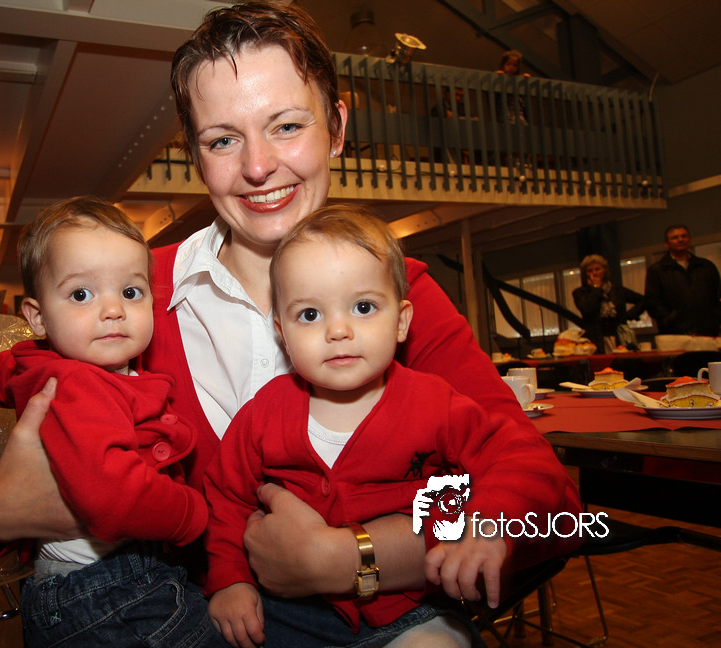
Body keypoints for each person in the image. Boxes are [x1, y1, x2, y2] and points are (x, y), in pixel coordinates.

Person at [0, 3, 582, 645]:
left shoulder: (405, 296)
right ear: (194, 155)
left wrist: (350, 558)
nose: (258, 166)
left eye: (286, 126)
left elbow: (554, 509)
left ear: (336, 128)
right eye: (222, 140)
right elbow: (30, 458)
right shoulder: (127, 298)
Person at [203, 206, 577, 648]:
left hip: (410, 609)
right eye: (310, 315)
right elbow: (226, 498)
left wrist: (487, 524)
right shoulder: (263, 414)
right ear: (282, 332)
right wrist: (230, 580)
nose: (338, 330)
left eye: (363, 307)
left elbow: (522, 459)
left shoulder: (436, 404)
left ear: (401, 322)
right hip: (287, 613)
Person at [0, 197, 224, 647]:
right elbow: (114, 497)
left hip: (71, 588)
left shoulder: (40, 365)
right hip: (112, 591)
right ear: (38, 317)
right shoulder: (81, 385)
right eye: (81, 294)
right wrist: (193, 516)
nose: (113, 310)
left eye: (131, 292)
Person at [644, 225, 721, 337]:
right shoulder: (657, 270)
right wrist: (669, 319)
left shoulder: (706, 266)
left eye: (684, 236)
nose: (680, 240)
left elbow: (717, 295)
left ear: (689, 240)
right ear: (666, 243)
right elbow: (652, 301)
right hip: (674, 333)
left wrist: (715, 318)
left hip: (707, 331)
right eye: (675, 237)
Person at [572, 254, 645, 352]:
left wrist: (628, 315)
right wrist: (596, 289)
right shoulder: (581, 292)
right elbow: (587, 308)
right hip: (595, 338)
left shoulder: (616, 290)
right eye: (590, 271)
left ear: (604, 270)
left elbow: (643, 300)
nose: (594, 273)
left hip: (619, 336)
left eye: (597, 269)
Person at [495, 50, 528, 124]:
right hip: (507, 112)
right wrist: (497, 75)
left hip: (518, 112)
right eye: (508, 64)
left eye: (515, 65)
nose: (511, 67)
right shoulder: (500, 77)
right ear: (503, 65)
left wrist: (525, 78)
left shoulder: (517, 80)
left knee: (523, 125)